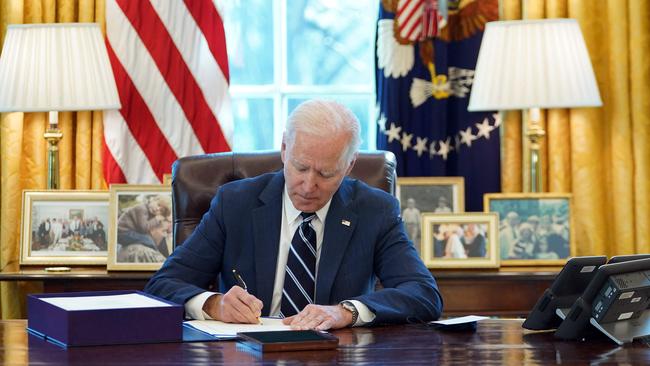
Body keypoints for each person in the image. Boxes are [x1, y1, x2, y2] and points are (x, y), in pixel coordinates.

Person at [145, 99, 442, 330]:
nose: (309, 185)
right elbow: (162, 285)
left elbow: (423, 294)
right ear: (285, 149)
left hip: (336, 353)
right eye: (300, 167)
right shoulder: (235, 203)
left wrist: (346, 312)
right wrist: (214, 304)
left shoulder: (375, 211)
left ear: (349, 165)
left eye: (326, 173)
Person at [117, 195, 172, 261]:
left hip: (128, 233)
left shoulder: (149, 211)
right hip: (122, 232)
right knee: (148, 240)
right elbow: (143, 228)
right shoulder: (141, 209)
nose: (158, 209)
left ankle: (163, 257)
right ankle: (157, 254)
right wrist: (156, 219)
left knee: (148, 239)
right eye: (158, 205)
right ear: (153, 200)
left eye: (161, 211)